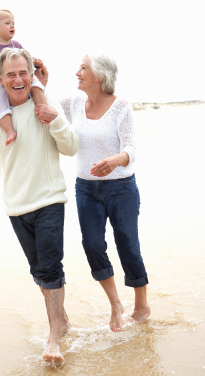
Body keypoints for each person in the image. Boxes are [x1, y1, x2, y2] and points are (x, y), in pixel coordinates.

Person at [0, 48, 79, 362]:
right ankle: (61, 321)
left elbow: (71, 147)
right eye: (11, 74)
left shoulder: (44, 106)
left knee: (50, 269)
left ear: (31, 75)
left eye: (23, 73)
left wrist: (54, 120)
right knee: (39, 272)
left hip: (50, 200)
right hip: (16, 206)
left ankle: (53, 340)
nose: (18, 79)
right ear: (0, 79)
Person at [35, 53, 151, 332]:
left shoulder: (121, 106)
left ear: (99, 77)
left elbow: (132, 149)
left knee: (128, 246)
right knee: (93, 245)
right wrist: (42, 83)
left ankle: (142, 305)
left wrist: (115, 160)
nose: (78, 72)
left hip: (122, 187)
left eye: (83, 68)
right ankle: (115, 304)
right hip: (86, 188)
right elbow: (44, 106)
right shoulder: (74, 104)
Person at [0, 9, 48, 146]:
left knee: (36, 85)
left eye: (13, 23)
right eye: (7, 23)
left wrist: (36, 61)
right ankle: (10, 130)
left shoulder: (16, 45)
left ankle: (43, 108)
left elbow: (27, 57)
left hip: (22, 75)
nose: (12, 26)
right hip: (0, 83)